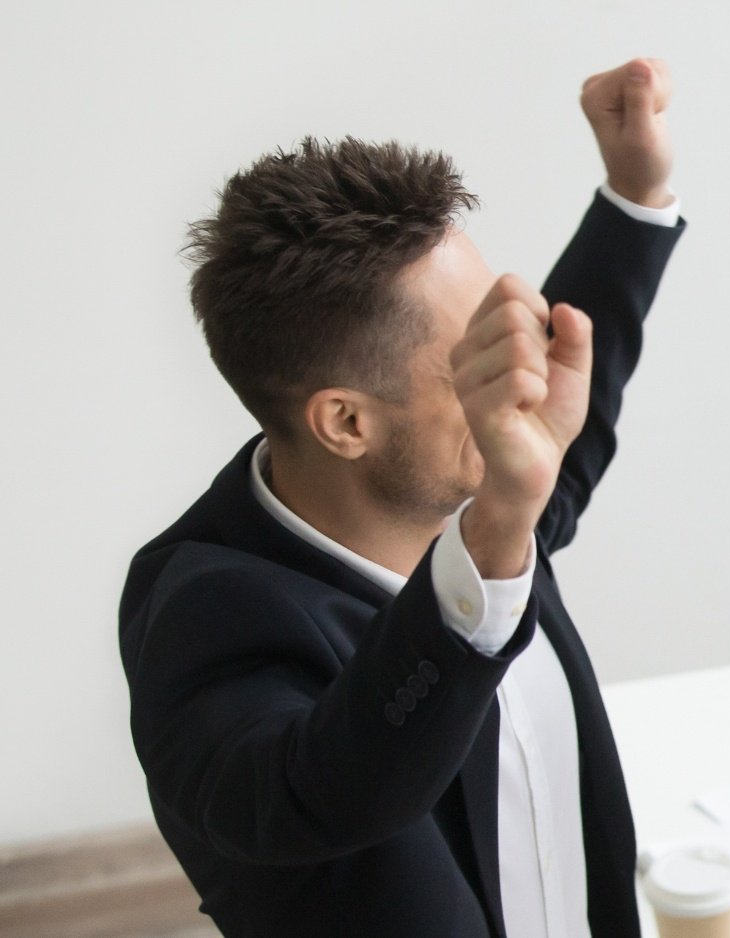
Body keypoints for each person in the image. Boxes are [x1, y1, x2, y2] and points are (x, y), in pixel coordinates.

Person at [118, 59, 684, 937]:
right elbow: (322, 790)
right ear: (346, 422)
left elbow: (576, 395)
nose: (522, 392)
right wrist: (499, 525)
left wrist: (633, 196)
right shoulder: (202, 622)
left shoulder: (457, 479)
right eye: (479, 365)